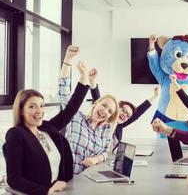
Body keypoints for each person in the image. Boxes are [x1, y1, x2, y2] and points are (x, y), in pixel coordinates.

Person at [3, 60, 90, 195]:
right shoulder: (16, 134)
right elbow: (14, 179)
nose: (39, 111)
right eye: (32, 106)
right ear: (21, 110)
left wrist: (84, 77)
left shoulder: (46, 128)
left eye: (41, 105)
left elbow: (70, 110)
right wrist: (47, 190)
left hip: (60, 190)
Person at [59, 46, 119, 174]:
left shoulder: (106, 129)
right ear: (95, 103)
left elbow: (105, 153)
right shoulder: (76, 118)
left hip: (91, 179)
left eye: (109, 111)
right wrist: (68, 58)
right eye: (104, 105)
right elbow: (63, 91)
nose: (105, 111)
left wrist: (96, 159)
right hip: (69, 179)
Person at [88, 68, 159, 151]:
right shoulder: (103, 119)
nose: (125, 115)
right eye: (124, 110)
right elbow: (97, 99)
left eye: (128, 115)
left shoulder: (119, 125)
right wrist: (92, 81)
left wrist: (155, 96)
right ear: (116, 108)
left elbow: (138, 113)